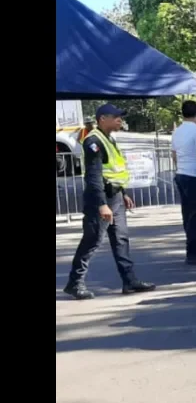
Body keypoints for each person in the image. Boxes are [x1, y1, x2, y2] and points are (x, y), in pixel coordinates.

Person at [63, 104, 156, 299]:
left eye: (120, 117)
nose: (120, 120)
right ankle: (75, 282)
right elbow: (94, 177)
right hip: (101, 199)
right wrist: (101, 204)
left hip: (115, 197)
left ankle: (129, 281)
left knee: (121, 240)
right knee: (92, 241)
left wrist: (123, 194)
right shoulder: (93, 142)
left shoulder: (109, 139)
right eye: (116, 117)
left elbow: (113, 172)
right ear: (102, 119)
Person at [171, 100, 196, 265]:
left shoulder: (176, 132)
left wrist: (180, 168)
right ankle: (192, 251)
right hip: (194, 176)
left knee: (187, 213)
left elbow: (173, 155)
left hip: (181, 174)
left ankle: (195, 245)